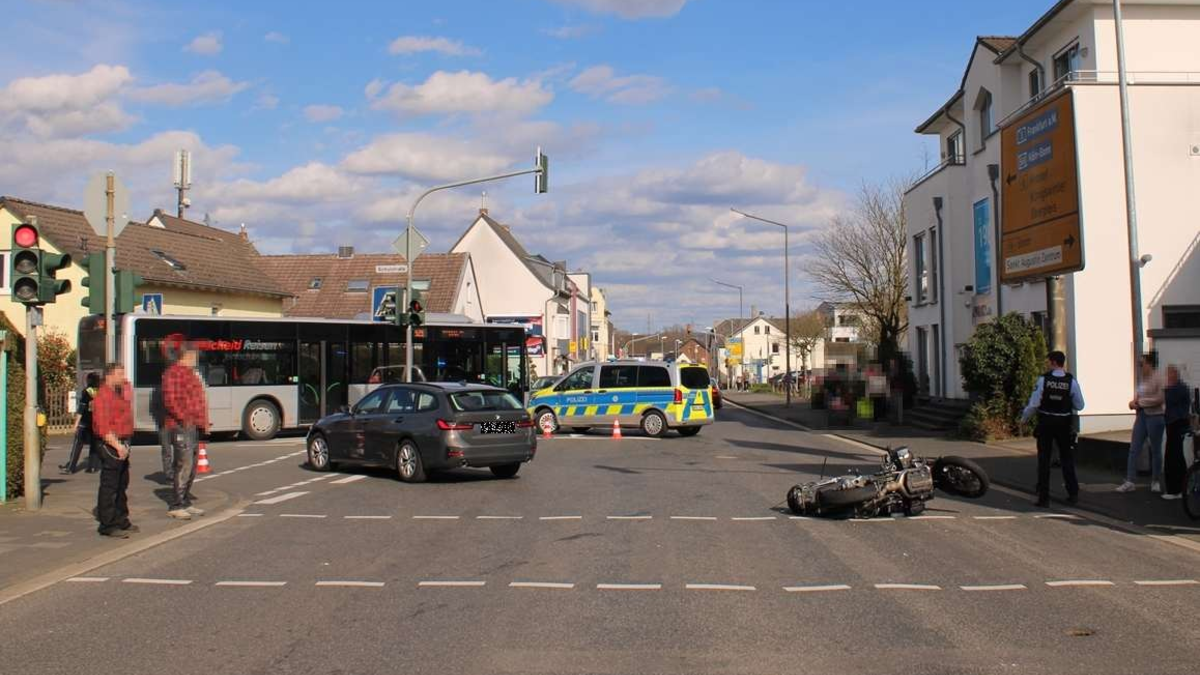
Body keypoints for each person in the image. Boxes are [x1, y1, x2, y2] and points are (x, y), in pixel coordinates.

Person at [1022, 351, 1086, 507]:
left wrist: (1024, 419)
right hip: (1064, 424)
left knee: (1044, 460)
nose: (1046, 364)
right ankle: (1073, 493)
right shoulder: (1071, 382)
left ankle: (1044, 497)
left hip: (1046, 423)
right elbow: (1080, 405)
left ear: (1053, 362)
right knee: (1066, 459)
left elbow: (1034, 404)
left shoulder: (1044, 380)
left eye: (1048, 361)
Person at [162, 342, 209, 520]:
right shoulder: (173, 373)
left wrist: (202, 422)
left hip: (193, 424)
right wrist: (184, 419)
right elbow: (171, 401)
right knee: (184, 463)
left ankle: (185, 501)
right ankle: (177, 504)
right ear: (187, 355)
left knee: (192, 464)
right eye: (194, 356)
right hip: (181, 425)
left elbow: (199, 398)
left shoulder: (191, 374)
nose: (196, 359)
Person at [92, 363, 136, 538]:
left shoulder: (117, 393)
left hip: (122, 441)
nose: (123, 377)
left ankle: (121, 518)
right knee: (110, 485)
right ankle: (108, 524)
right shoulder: (103, 397)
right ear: (109, 375)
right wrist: (117, 445)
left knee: (121, 483)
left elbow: (128, 392)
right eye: (119, 374)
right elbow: (102, 427)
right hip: (111, 443)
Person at [1117, 352, 1166, 493]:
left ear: (1149, 364)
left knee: (1156, 449)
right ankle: (1130, 480)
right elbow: (1138, 394)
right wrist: (1134, 402)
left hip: (1156, 416)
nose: (1140, 367)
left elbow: (1159, 399)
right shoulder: (1142, 379)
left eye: (1142, 364)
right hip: (1142, 416)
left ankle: (1155, 480)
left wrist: (1141, 402)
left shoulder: (1159, 378)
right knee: (1134, 448)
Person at [60, 372, 100, 475]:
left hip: (85, 422)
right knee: (94, 445)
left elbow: (81, 408)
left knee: (78, 444)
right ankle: (92, 467)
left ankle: (71, 467)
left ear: (89, 380)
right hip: (96, 422)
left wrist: (76, 423)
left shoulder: (87, 391)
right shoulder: (101, 392)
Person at [1162, 365, 1191, 500]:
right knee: (1175, 455)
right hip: (1173, 423)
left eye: (1169, 374)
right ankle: (1179, 488)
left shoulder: (1179, 388)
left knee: (1174, 456)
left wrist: (1166, 388)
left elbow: (1168, 399)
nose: (1167, 376)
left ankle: (1176, 490)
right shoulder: (1176, 387)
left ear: (1175, 374)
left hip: (1177, 423)